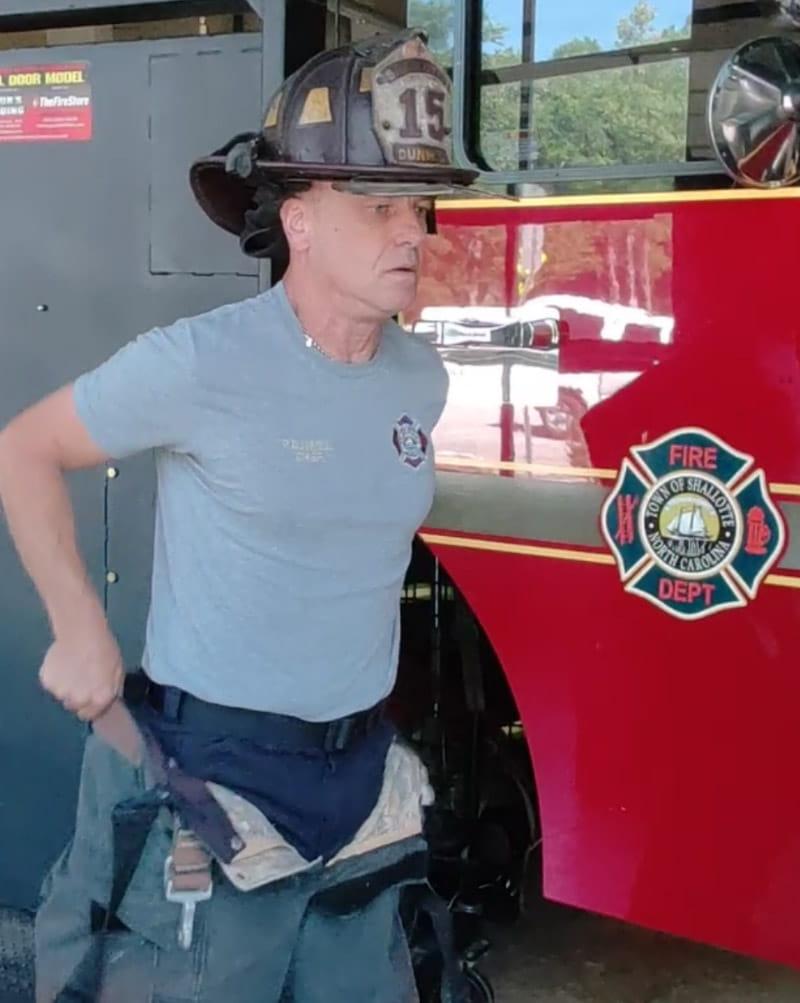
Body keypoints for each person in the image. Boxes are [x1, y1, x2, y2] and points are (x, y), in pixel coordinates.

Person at [0, 28, 480, 1003]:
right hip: (217, 785)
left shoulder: (418, 379)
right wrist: (81, 628)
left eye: (418, 206)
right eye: (378, 206)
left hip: (358, 783)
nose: (413, 232)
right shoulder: (201, 362)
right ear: (299, 221)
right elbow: (25, 448)